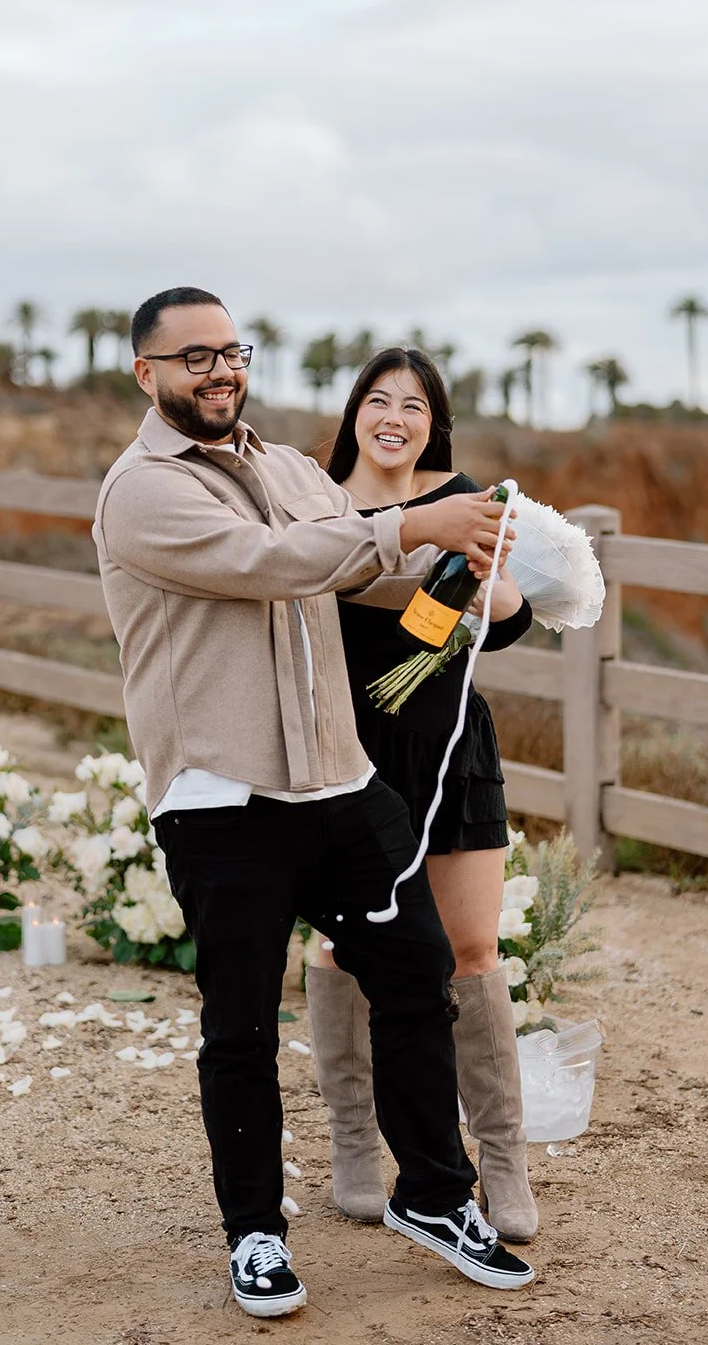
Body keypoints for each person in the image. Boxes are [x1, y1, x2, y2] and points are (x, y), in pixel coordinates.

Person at [93, 287, 535, 1320]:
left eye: (229, 351)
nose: (217, 370)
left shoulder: (289, 468)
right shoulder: (141, 491)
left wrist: (466, 572)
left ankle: (431, 1194)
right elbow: (271, 564)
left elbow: (359, 575)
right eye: (191, 355)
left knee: (420, 968)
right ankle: (254, 1232)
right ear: (146, 374)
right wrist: (408, 522)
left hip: (337, 781)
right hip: (221, 793)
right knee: (239, 1022)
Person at [306, 346, 539, 1242]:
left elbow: (509, 619)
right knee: (339, 950)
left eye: (412, 402)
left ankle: (503, 1161)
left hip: (446, 746)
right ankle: (357, 1145)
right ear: (354, 414)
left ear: (433, 421)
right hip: (341, 754)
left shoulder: (466, 499)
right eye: (377, 399)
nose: (393, 415)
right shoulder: (317, 502)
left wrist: (490, 572)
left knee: (471, 949)